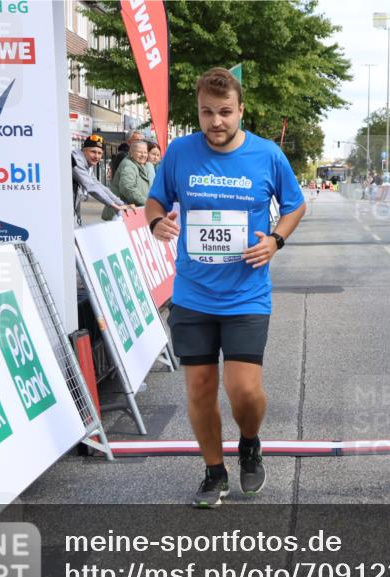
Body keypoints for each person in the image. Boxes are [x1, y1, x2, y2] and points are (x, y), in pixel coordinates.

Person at [146, 67, 306, 508]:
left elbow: (295, 205)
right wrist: (157, 221)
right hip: (193, 294)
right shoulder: (180, 152)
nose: (216, 121)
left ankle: (249, 442)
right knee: (199, 388)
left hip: (246, 294)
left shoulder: (267, 154)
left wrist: (275, 240)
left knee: (244, 391)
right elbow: (155, 199)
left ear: (240, 111)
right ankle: (214, 471)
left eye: (225, 112)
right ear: (198, 112)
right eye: (207, 112)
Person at [72, 134, 131, 225]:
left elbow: (99, 186)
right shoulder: (76, 161)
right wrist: (113, 205)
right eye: (93, 152)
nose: (96, 156)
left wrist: (121, 203)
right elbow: (91, 187)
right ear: (84, 150)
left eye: (100, 153)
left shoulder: (87, 164)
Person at [102, 139, 152, 220]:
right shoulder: (128, 165)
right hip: (120, 214)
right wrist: (146, 202)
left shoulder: (139, 164)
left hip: (128, 212)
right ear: (131, 153)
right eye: (140, 152)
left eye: (145, 152)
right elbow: (128, 188)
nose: (143, 155)